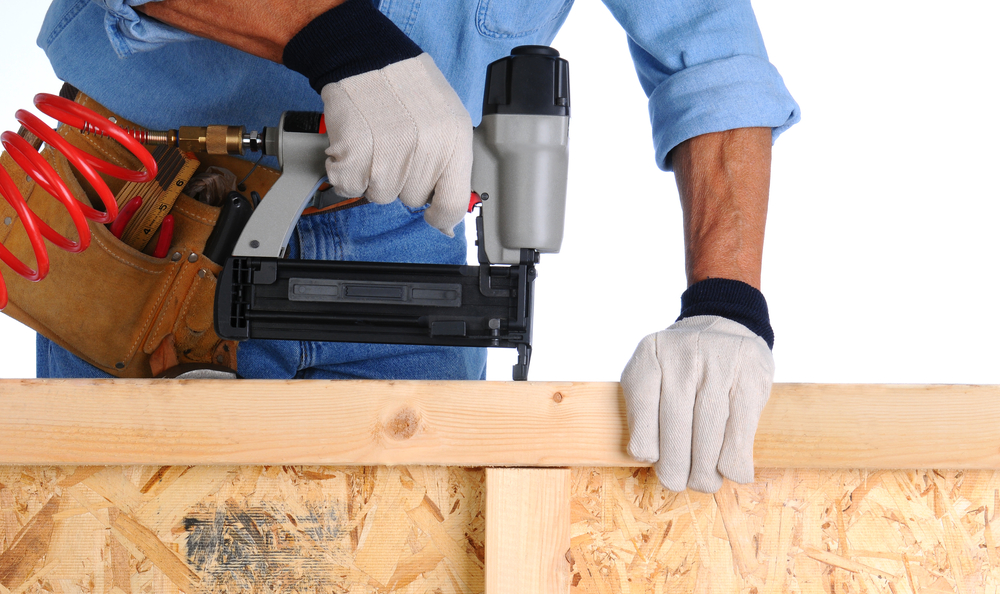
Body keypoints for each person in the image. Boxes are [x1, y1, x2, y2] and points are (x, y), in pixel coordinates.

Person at [36, 0, 799, 492]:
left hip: (405, 230)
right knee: (123, 581)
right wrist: (335, 36)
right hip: (153, 207)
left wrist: (725, 305)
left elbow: (711, 56)